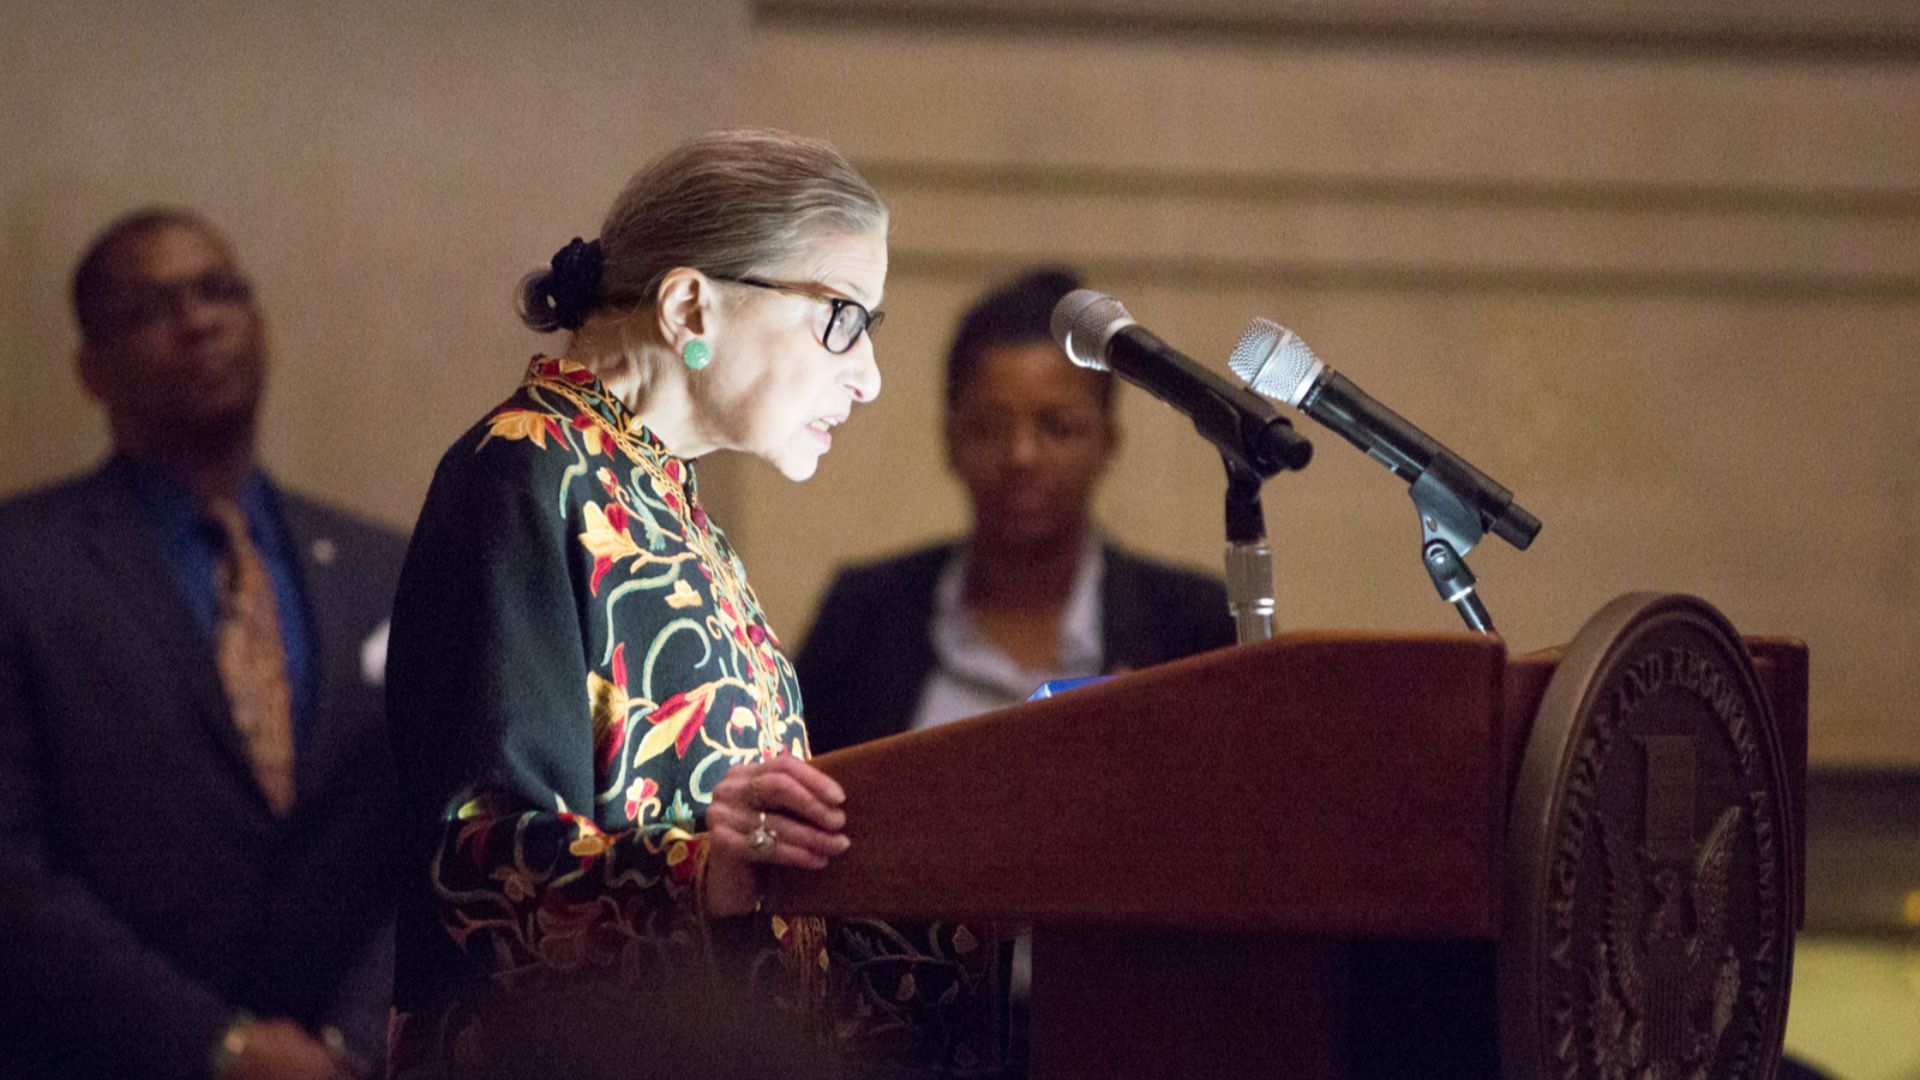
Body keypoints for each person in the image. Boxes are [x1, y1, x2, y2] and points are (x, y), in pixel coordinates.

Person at [385, 129, 883, 1079]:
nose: (867, 376)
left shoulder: (665, 504)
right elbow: (480, 861)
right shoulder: (524, 470)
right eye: (844, 318)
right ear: (690, 305)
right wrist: (704, 871)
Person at [794, 268, 1237, 1077]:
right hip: (891, 1046)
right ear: (949, 438)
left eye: (1058, 426)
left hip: (1133, 1040)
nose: (1022, 456)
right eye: (990, 426)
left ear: (1108, 441)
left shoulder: (1190, 625)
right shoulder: (868, 615)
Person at [0, 208, 407, 1079]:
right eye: (153, 307)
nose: (199, 321)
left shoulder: (384, 568)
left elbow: (439, 837)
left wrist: (355, 1043)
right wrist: (221, 1048)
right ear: (90, 370)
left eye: (220, 291)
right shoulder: (20, 565)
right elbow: (10, 866)